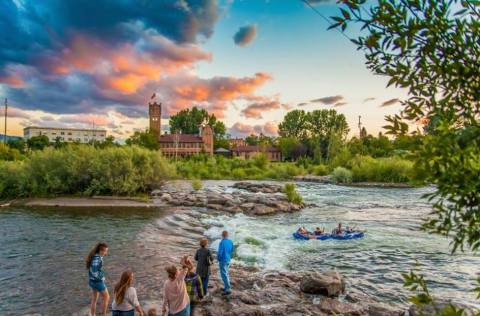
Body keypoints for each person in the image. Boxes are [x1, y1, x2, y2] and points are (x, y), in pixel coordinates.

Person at [86, 242, 110, 316]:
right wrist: (102, 277)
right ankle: (104, 314)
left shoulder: (95, 256)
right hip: (97, 281)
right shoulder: (97, 258)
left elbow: (93, 270)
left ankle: (93, 314)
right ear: (101, 251)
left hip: (92, 281)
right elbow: (94, 272)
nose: (106, 253)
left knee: (94, 298)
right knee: (107, 297)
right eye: (105, 251)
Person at [217, 230, 234, 295]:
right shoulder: (230, 242)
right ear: (227, 235)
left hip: (223, 260)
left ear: (222, 235)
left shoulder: (222, 242)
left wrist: (218, 258)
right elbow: (232, 250)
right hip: (228, 259)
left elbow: (220, 252)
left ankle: (228, 289)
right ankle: (226, 287)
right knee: (226, 273)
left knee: (224, 274)